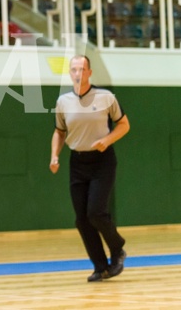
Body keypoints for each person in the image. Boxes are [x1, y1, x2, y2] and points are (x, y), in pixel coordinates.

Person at [50, 55, 130, 283]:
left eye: (82, 69)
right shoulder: (63, 102)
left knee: (96, 212)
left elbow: (124, 125)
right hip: (77, 163)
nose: (78, 73)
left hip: (102, 161)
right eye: (74, 69)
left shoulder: (106, 97)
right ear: (70, 73)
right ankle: (101, 267)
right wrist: (54, 155)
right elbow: (59, 131)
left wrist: (108, 140)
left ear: (89, 72)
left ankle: (118, 248)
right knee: (82, 220)